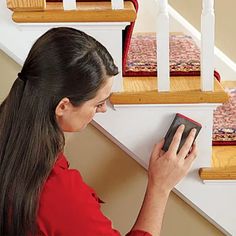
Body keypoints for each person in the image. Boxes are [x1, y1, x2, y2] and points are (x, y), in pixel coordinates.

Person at [0, 27, 197, 236]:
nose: (103, 109)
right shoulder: (57, 193)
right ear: (63, 106)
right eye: (98, 103)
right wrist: (160, 188)